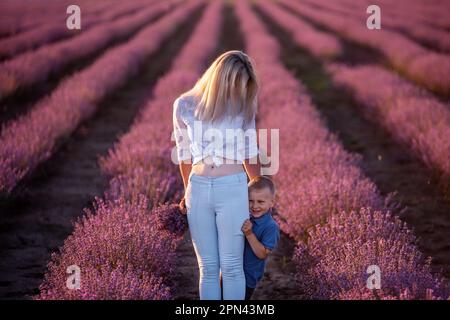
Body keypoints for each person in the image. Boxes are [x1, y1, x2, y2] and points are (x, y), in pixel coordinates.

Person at [173, 50, 262, 300]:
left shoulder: (244, 105)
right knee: (208, 268)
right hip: (198, 189)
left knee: (232, 267)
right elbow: (184, 155)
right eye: (235, 84)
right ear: (220, 78)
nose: (239, 90)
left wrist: (260, 196)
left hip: (232, 188)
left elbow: (250, 153)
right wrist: (185, 192)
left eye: (244, 86)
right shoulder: (184, 104)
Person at [220, 175, 280, 300]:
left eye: (260, 202)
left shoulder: (271, 226)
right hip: (228, 271)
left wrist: (249, 233)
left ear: (271, 203)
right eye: (250, 201)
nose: (254, 206)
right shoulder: (244, 215)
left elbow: (262, 254)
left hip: (247, 278)